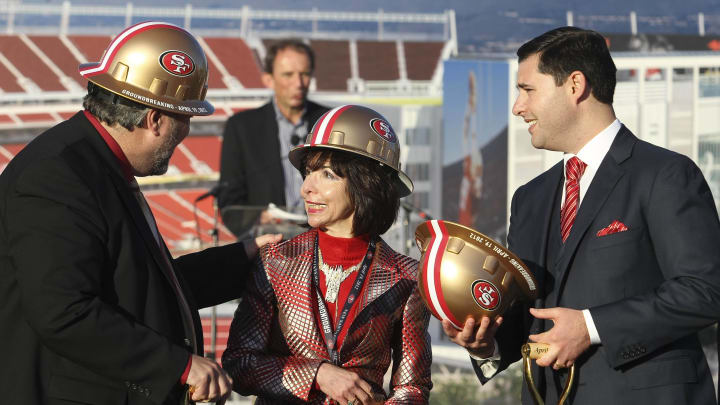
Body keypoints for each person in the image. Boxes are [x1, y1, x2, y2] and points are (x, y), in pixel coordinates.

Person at [0, 21, 279, 404]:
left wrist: (242, 258)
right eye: (185, 120)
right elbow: (64, 313)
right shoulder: (57, 175)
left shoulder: (96, 163)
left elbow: (138, 288)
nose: (186, 135)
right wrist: (179, 366)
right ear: (154, 120)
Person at [443, 27, 720, 404]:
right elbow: (529, 322)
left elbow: (705, 291)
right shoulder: (529, 198)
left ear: (575, 85)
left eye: (527, 90)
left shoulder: (665, 174)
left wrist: (590, 327)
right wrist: (485, 343)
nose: (517, 107)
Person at [222, 105, 432, 404]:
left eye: (328, 175)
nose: (307, 188)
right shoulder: (275, 261)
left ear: (365, 184)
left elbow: (412, 388)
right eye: (308, 173)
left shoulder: (409, 276)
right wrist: (317, 374)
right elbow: (239, 364)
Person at [218, 39, 330, 238]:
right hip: (269, 246)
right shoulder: (241, 127)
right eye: (288, 75)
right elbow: (229, 199)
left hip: (323, 242)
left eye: (304, 74)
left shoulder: (329, 121)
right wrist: (259, 219)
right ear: (268, 79)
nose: (299, 83)